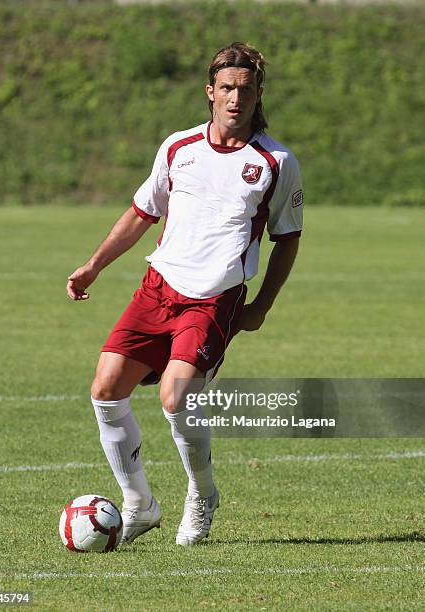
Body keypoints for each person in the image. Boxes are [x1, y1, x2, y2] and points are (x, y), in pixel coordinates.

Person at [66, 42, 303, 546]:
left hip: (215, 298)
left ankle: (202, 493)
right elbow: (140, 213)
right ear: (210, 93)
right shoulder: (179, 147)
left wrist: (261, 305)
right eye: (226, 90)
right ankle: (139, 505)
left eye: (245, 89)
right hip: (158, 288)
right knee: (105, 389)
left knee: (177, 398)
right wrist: (93, 266)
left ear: (258, 93)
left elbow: (288, 239)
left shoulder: (276, 162)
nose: (235, 99)